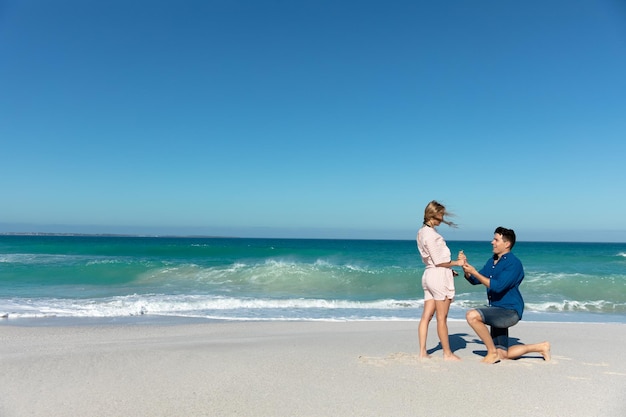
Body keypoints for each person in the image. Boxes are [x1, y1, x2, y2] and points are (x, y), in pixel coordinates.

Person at [462, 227, 551, 364]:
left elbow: (497, 286)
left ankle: (491, 353)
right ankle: (540, 347)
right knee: (503, 354)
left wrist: (474, 272)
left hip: (509, 311)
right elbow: (475, 280)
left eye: (496, 240)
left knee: (472, 315)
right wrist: (466, 269)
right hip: (496, 309)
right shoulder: (492, 262)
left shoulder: (514, 263)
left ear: (507, 244)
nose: (492, 242)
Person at [417, 200, 466, 361]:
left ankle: (423, 352)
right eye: (441, 214)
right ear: (434, 214)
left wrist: (449, 269)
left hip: (429, 275)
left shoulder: (421, 232)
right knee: (441, 318)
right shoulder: (431, 235)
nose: (443, 217)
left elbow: (432, 260)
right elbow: (438, 261)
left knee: (426, 316)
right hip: (437, 276)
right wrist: (457, 263)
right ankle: (447, 353)